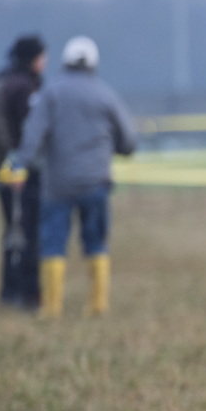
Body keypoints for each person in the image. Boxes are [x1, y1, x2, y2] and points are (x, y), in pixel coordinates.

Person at [18, 36, 137, 319]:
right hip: (96, 183)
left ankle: (52, 308)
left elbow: (33, 137)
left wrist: (22, 165)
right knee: (96, 242)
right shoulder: (105, 94)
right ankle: (98, 305)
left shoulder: (51, 94)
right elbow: (129, 141)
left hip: (57, 185)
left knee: (53, 243)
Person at [0, 34, 47, 311]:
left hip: (4, 171)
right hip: (23, 174)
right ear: (33, 58)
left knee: (13, 233)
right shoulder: (24, 88)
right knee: (27, 234)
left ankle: (9, 294)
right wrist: (19, 160)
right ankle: (27, 295)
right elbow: (30, 129)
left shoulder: (2, 82)